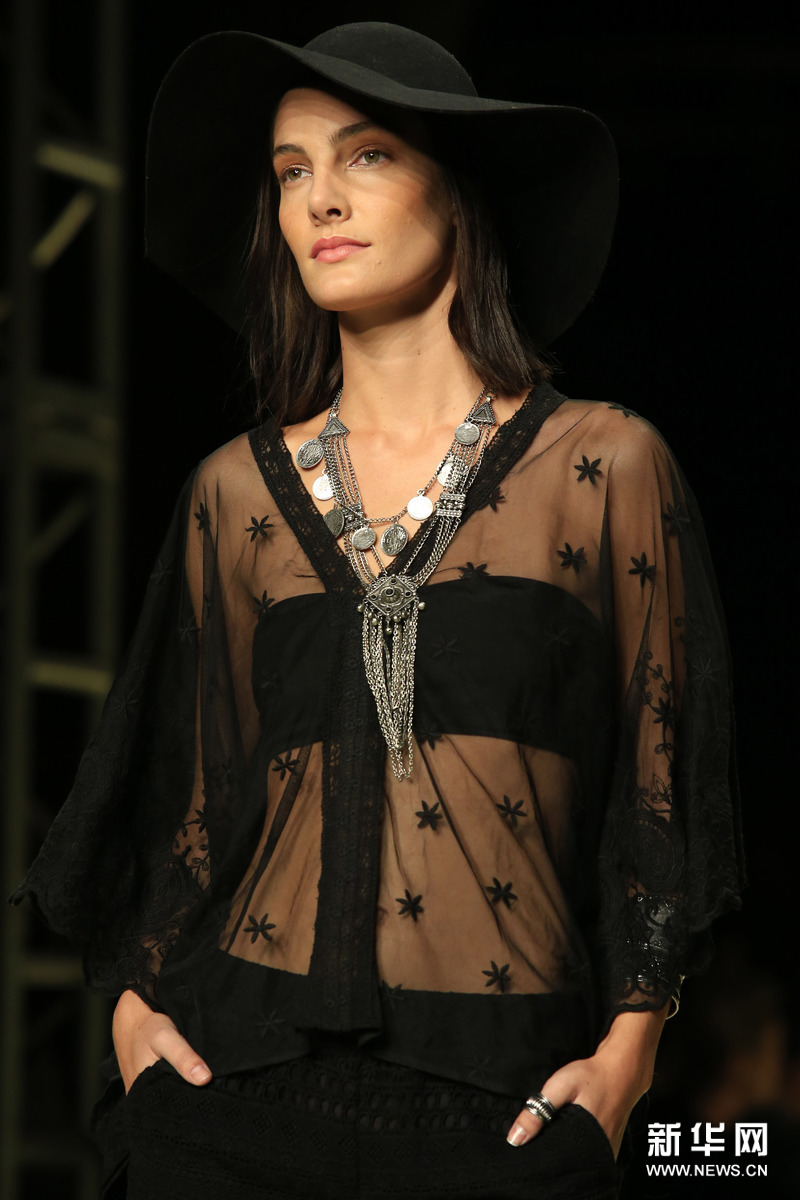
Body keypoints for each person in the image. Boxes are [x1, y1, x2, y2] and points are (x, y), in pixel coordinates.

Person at [12, 21, 745, 1200]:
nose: (318, 199)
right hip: (231, 1098)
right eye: (290, 170)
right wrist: (136, 1019)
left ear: (457, 192)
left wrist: (626, 1059)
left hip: (499, 1110)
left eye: (364, 156)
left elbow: (655, 798)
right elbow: (188, 804)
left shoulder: (602, 466)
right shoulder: (233, 493)